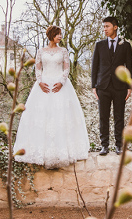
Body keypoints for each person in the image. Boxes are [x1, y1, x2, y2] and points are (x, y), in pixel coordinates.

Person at [13, 25, 89, 169]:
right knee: (43, 117)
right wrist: (40, 82)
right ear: (51, 35)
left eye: (61, 34)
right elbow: (38, 68)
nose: (60, 36)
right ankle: (42, 152)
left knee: (61, 117)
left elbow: (67, 68)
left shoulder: (64, 51)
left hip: (61, 86)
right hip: (44, 86)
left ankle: (62, 151)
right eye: (58, 34)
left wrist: (61, 82)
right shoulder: (41, 51)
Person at [91, 16, 132, 155]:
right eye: (103, 27)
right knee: (103, 117)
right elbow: (94, 66)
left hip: (120, 86)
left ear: (115, 27)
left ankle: (119, 146)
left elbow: (129, 66)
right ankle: (104, 146)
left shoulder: (125, 45)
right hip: (102, 86)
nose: (105, 29)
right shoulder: (99, 45)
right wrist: (93, 86)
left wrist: (129, 86)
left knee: (119, 117)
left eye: (107, 26)